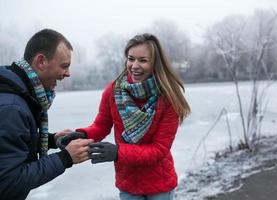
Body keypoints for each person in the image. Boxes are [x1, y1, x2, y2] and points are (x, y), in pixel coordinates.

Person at [66, 33, 191, 199]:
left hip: (159, 184)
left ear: (155, 63)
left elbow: (159, 150)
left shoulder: (168, 97)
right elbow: (101, 126)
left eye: (143, 60)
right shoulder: (113, 91)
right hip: (128, 183)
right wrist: (82, 134)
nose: (134, 65)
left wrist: (117, 152)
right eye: (131, 59)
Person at [0, 29, 93, 200]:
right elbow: (8, 183)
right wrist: (65, 158)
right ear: (41, 61)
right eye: (64, 66)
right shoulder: (12, 108)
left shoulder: (16, 90)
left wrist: (51, 139)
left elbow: (12, 145)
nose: (68, 73)